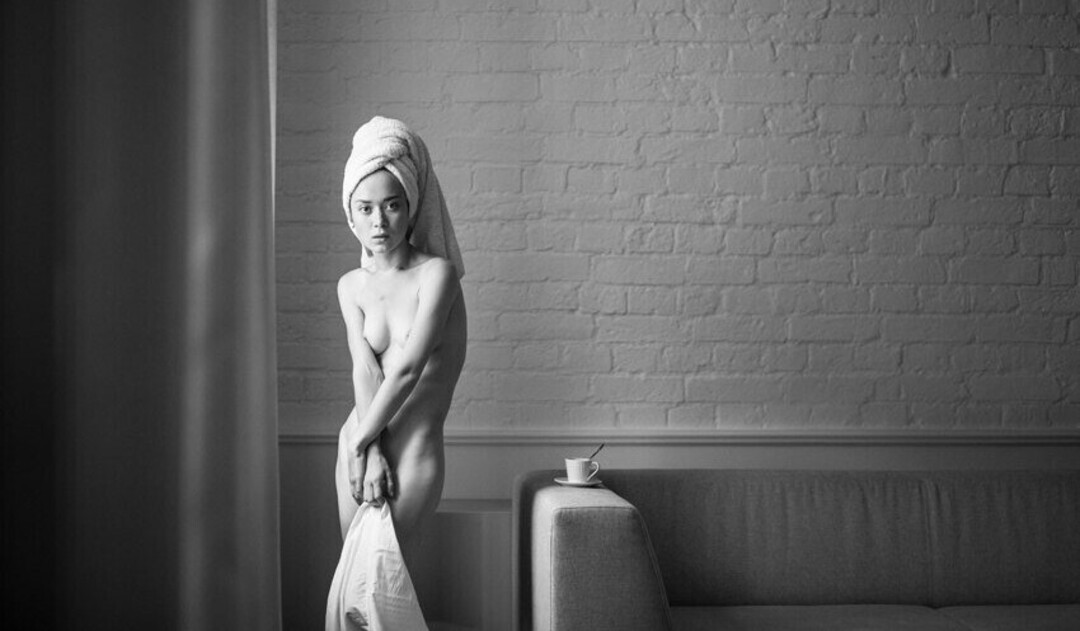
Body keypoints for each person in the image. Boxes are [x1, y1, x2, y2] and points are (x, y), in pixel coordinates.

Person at [333, 117, 467, 572]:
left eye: (392, 205)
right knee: (353, 587)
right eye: (365, 208)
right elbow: (365, 369)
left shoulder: (437, 275)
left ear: (411, 206)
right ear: (351, 213)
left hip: (413, 450)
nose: (378, 221)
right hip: (359, 444)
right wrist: (364, 450)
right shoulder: (350, 286)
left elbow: (408, 369)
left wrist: (362, 444)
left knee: (383, 582)